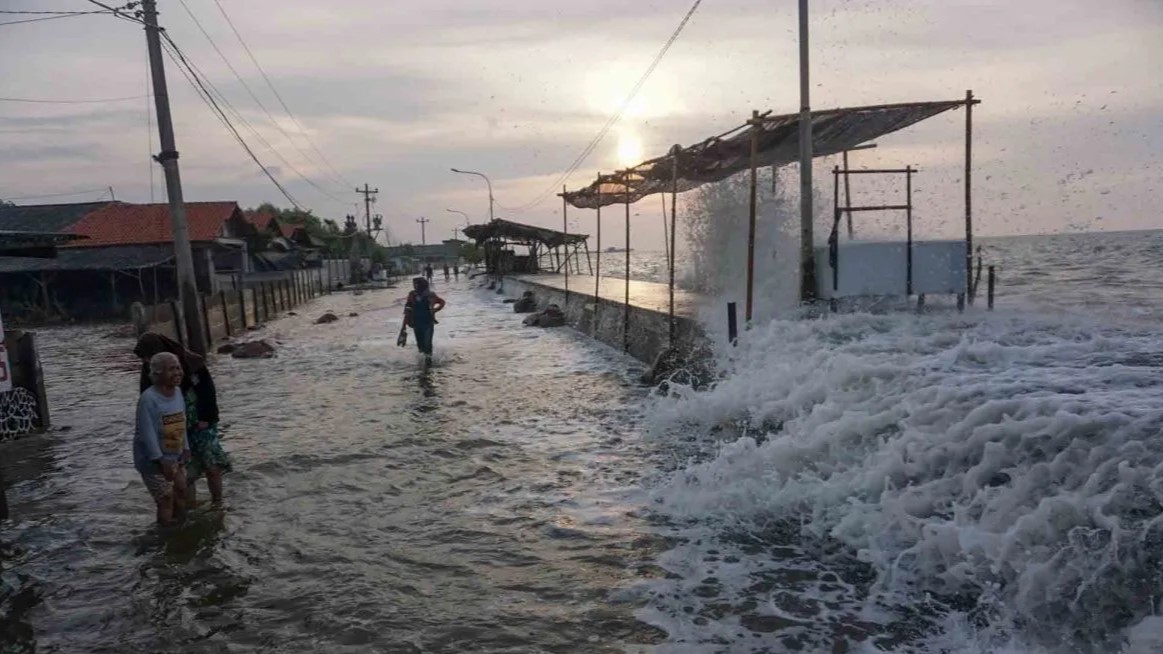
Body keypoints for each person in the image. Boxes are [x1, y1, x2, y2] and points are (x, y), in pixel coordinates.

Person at [134, 333, 231, 505]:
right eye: (144, 358)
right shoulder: (151, 369)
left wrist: (206, 417)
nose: (146, 361)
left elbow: (208, 391)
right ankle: (190, 508)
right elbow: (148, 404)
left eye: (148, 356)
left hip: (201, 421)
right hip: (174, 424)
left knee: (212, 465)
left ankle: (218, 503)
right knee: (186, 471)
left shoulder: (190, 361)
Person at [134, 352, 190, 525]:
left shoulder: (178, 392)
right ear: (157, 373)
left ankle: (182, 529)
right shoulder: (148, 399)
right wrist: (160, 460)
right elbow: (146, 433)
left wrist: (186, 447)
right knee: (165, 499)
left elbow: (182, 421)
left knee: (182, 491)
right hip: (153, 460)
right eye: (171, 369)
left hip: (175, 455)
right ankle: (164, 537)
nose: (177, 373)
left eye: (178, 368)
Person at [403, 276, 446, 363]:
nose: (415, 286)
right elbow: (407, 311)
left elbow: (442, 302)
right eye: (414, 284)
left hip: (428, 323)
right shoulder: (412, 295)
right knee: (420, 345)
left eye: (417, 284)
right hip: (416, 323)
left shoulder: (430, 295)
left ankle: (428, 360)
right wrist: (403, 326)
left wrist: (435, 310)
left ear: (424, 285)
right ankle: (422, 361)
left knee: (428, 343)